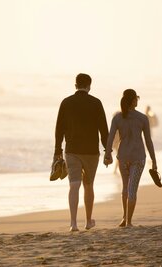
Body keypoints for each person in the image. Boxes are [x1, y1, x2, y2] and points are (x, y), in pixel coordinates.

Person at [54, 73, 109, 232]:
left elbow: (59, 129)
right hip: (91, 151)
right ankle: (88, 221)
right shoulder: (96, 103)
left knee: (74, 185)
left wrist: (58, 150)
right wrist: (107, 150)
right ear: (89, 85)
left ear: (75, 85)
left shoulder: (66, 102)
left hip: (72, 150)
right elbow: (103, 129)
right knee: (88, 185)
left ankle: (73, 223)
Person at [104, 89, 157, 227]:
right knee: (132, 189)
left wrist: (107, 154)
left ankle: (124, 218)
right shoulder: (142, 118)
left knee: (125, 188)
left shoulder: (117, 118)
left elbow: (110, 137)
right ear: (133, 100)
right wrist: (154, 160)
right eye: (137, 98)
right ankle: (128, 222)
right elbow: (148, 141)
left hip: (122, 156)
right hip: (138, 157)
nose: (138, 100)